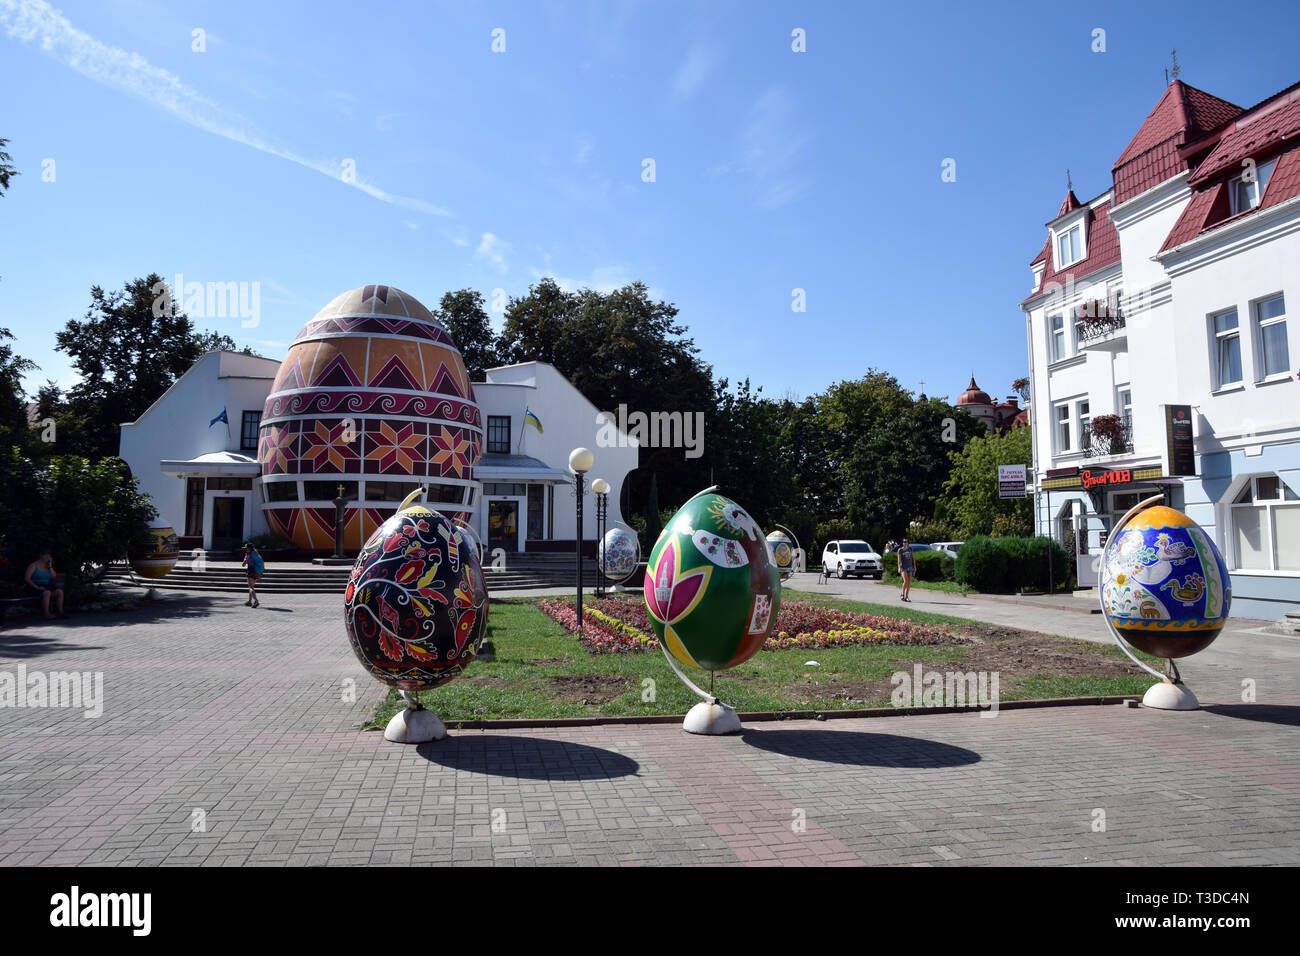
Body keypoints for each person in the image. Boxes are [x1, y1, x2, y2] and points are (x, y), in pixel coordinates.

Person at [25, 551, 66, 619]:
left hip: (46, 586)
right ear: (41, 556)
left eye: (49, 556)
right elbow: (27, 578)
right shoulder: (34, 565)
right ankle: (46, 614)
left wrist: (50, 566)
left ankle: (60, 612)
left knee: (59, 592)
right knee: (47, 593)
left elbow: (53, 576)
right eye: (46, 555)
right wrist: (37, 587)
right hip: (34, 587)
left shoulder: (48, 566)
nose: (48, 557)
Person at [243, 543, 264, 608]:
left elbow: (243, 564)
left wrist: (245, 558)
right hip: (259, 572)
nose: (245, 549)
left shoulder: (249, 555)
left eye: (246, 548)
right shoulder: (257, 553)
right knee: (252, 586)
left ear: (249, 549)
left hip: (252, 571)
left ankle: (256, 601)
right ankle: (249, 601)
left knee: (250, 587)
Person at [897, 538, 915, 603]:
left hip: (910, 567)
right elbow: (899, 560)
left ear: (908, 543)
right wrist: (899, 567)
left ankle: (907, 596)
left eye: (906, 542)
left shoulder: (910, 549)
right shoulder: (900, 550)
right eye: (904, 542)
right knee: (905, 581)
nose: (905, 543)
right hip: (903, 567)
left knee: (909, 582)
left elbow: (913, 558)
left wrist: (914, 567)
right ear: (902, 543)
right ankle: (902, 594)